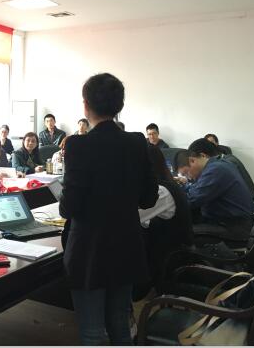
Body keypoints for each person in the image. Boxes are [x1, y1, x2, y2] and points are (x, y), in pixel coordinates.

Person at [59, 73, 158, 345]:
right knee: (120, 326)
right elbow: (148, 199)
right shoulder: (137, 142)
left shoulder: (78, 145)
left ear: (85, 105)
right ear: (119, 106)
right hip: (126, 246)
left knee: (92, 331)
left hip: (89, 250)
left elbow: (68, 207)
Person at [139, 145, 194, 295]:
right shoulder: (167, 185)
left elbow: (130, 217)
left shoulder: (161, 191)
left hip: (171, 259)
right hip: (167, 251)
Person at [181, 138, 254, 239]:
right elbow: (197, 189)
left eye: (192, 161)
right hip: (230, 221)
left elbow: (191, 200)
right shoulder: (220, 163)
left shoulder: (215, 169)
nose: (191, 165)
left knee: (181, 232)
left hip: (232, 227)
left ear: (203, 156)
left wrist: (173, 196)